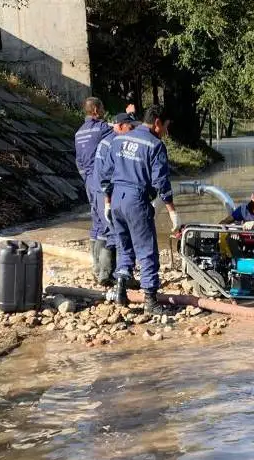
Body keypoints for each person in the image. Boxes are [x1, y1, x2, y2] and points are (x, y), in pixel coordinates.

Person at [100, 104, 179, 314]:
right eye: (166, 127)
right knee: (146, 251)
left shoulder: (118, 140)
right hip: (136, 201)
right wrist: (172, 211)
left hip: (117, 200)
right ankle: (150, 301)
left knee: (124, 246)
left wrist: (107, 202)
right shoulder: (155, 145)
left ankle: (120, 292)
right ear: (157, 123)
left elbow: (105, 175)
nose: (166, 132)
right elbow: (161, 182)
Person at [92, 112, 141, 287]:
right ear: (120, 126)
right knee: (118, 234)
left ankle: (100, 271)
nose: (133, 130)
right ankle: (116, 276)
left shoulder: (106, 140)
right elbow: (112, 172)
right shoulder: (115, 142)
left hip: (98, 190)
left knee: (104, 230)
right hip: (107, 192)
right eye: (130, 127)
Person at [74, 97, 113, 282]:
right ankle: (105, 273)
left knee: (96, 224)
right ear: (96, 110)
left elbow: (79, 162)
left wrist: (87, 179)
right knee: (108, 224)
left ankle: (96, 268)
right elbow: (121, 130)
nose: (104, 111)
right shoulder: (102, 129)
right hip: (100, 181)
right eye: (102, 107)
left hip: (89, 182)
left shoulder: (79, 133)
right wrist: (130, 116)